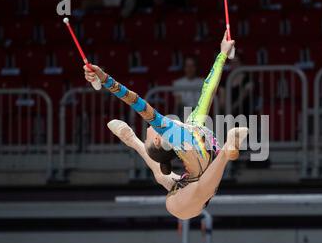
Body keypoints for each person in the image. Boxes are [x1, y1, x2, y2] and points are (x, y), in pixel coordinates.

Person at [83, 32, 248, 220]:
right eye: (146, 135)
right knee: (179, 185)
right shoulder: (175, 131)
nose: (148, 127)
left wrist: (223, 55)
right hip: (194, 190)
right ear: (158, 139)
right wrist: (104, 79)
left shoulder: (186, 128)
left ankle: (132, 140)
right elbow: (135, 100)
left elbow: (208, 90)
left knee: (165, 181)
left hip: (193, 192)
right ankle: (227, 151)